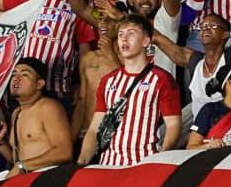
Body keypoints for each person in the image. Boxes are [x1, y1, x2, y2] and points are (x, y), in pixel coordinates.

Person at [78, 15, 181, 166]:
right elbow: (94, 129)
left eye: (131, 33)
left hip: (142, 164)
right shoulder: (108, 81)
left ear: (146, 41)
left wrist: (160, 159)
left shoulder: (161, 79)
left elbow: (173, 125)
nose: (124, 39)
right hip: (108, 164)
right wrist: (82, 161)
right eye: (121, 34)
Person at [0, 58, 74, 175]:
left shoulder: (48, 107)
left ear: (39, 84)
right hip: (27, 182)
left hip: (49, 180)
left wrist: (22, 165)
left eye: (24, 74)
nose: (16, 79)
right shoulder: (16, 113)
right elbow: (17, 161)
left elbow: (65, 152)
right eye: (14, 74)